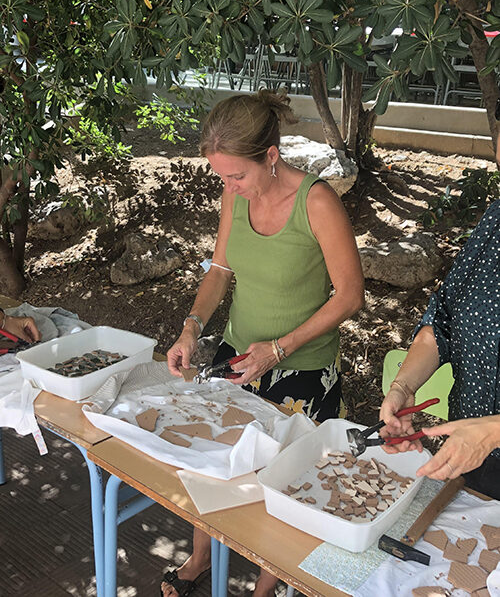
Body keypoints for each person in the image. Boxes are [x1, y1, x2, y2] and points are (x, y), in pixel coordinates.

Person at [162, 90, 364, 597]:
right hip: (237, 354)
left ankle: (265, 585)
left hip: (304, 368)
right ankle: (202, 557)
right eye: (222, 177)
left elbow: (350, 295)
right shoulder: (236, 194)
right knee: (217, 463)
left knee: (284, 483)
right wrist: (191, 327)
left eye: (236, 176)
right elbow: (220, 269)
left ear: (271, 156)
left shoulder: (317, 201)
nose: (229, 187)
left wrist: (280, 348)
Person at [379, 199, 500, 499]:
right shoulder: (496, 220)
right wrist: (403, 386)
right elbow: (444, 316)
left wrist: (490, 433)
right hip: (470, 458)